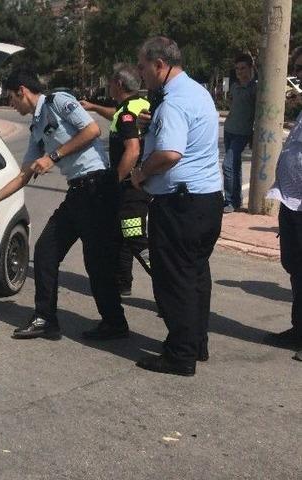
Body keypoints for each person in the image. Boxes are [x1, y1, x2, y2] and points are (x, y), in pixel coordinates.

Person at [0, 69, 127, 341]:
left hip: (97, 189)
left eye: (11, 98)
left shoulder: (58, 101)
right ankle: (45, 319)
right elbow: (24, 175)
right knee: (45, 252)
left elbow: (92, 130)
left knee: (97, 262)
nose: (11, 105)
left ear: (22, 91)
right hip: (77, 193)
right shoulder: (36, 128)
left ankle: (115, 323)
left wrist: (53, 156)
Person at [129, 37, 223, 376]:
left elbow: (169, 154)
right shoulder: (196, 92)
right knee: (195, 275)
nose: (140, 73)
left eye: (142, 67)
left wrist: (141, 173)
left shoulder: (174, 102)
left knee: (174, 280)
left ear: (159, 65)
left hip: (180, 205)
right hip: (206, 200)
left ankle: (180, 355)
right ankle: (195, 344)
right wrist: (152, 126)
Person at [81, 64, 151, 296]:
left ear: (119, 84)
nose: (109, 85)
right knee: (121, 236)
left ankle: (167, 282)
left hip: (131, 189)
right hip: (135, 186)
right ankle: (122, 283)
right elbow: (117, 115)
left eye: (110, 82)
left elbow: (132, 150)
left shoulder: (128, 113)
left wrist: (115, 182)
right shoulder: (136, 105)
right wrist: (93, 106)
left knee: (134, 236)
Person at [262, 48, 302, 360]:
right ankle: (298, 329)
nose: (298, 75)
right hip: (292, 201)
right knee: (296, 268)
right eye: (297, 69)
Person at [222, 53, 257, 214]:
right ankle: (236, 200)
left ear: (250, 68)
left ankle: (229, 200)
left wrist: (253, 134)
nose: (240, 71)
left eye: (243, 68)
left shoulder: (255, 88)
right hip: (229, 130)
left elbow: (258, 113)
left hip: (242, 133)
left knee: (227, 164)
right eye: (237, 69)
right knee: (235, 166)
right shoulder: (235, 86)